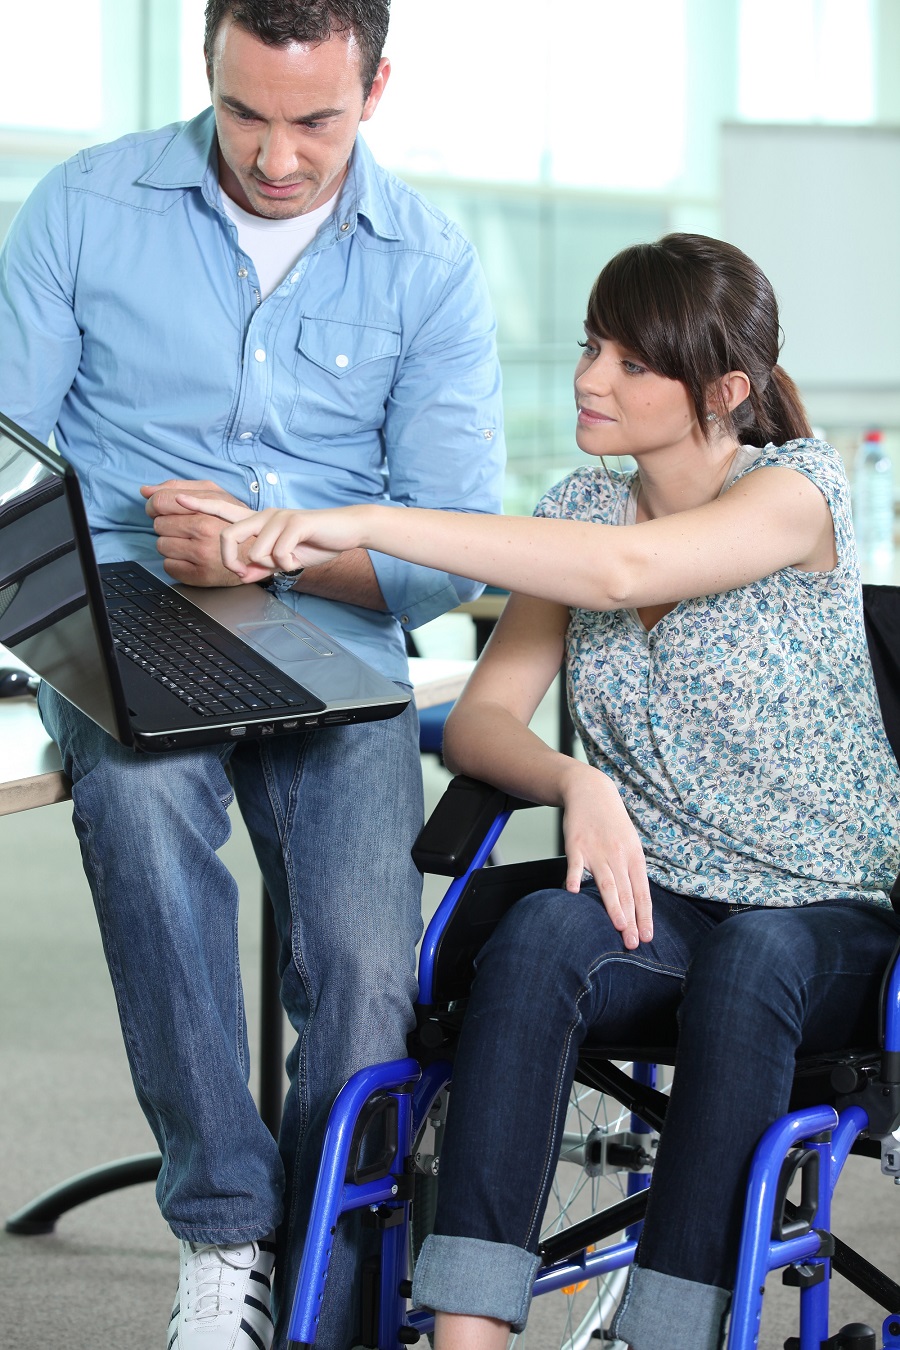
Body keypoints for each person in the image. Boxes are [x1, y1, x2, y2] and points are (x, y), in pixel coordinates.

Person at [183, 231, 900, 1350]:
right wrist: (578, 785)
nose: (588, 379)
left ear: (724, 389)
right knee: (541, 933)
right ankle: (471, 1336)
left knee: (756, 960)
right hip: (660, 908)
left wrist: (363, 521)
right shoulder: (581, 506)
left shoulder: (795, 493)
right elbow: (479, 721)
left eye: (628, 361)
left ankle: (669, 1336)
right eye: (589, 347)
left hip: (826, 924)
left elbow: (627, 575)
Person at [0, 3, 505, 1348]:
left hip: (333, 629)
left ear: (377, 87)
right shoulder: (83, 208)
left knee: (357, 948)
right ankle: (226, 1229)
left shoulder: (431, 264)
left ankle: (332, 1241)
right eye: (247, 115)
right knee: (141, 799)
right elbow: (8, 453)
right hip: (128, 601)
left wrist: (281, 555)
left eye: (317, 122)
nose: (278, 156)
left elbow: (448, 544)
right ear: (208, 75)